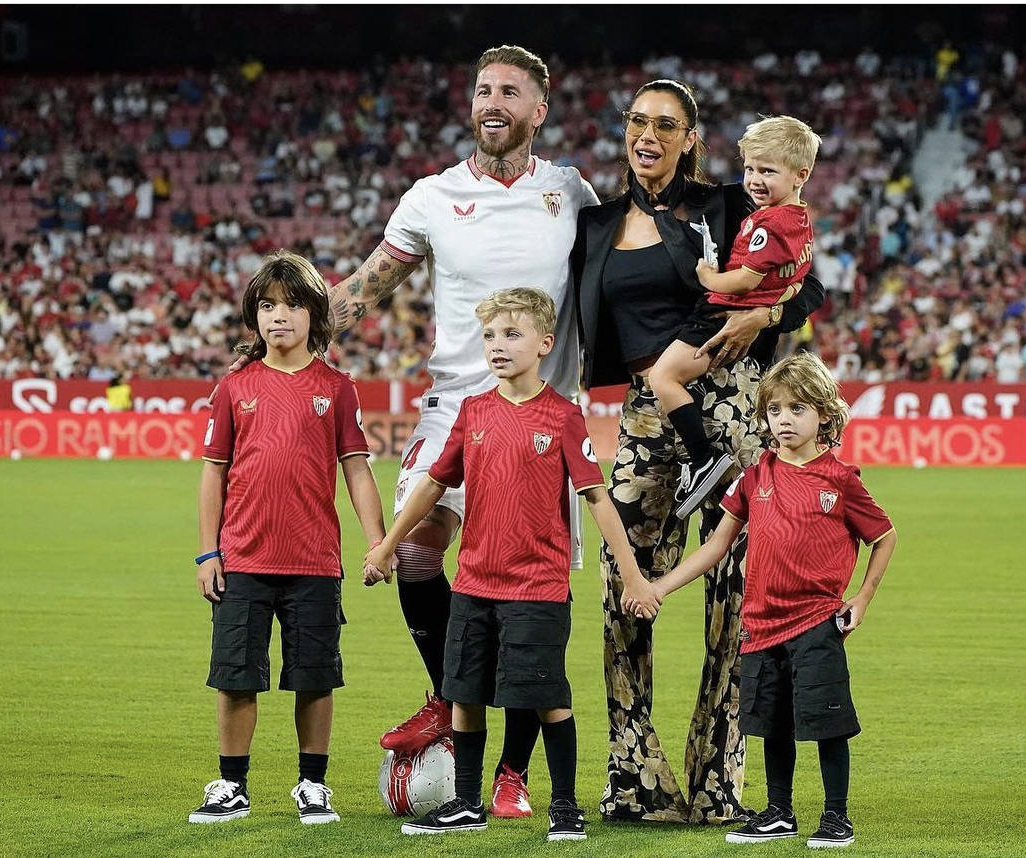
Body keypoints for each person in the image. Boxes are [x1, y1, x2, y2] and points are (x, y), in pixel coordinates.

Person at [325, 45, 600, 817]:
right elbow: (364, 288)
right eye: (483, 89)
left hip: (541, 416)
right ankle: (449, 695)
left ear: (537, 111)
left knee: (523, 594)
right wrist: (280, 336)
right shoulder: (433, 197)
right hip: (455, 406)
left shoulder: (570, 191)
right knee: (417, 549)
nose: (493, 101)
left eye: (510, 92)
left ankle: (512, 772)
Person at [571, 78, 825, 824]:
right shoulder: (595, 225)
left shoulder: (727, 205)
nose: (649, 134)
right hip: (647, 419)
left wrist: (766, 314)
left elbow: (807, 285)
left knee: (738, 602)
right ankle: (636, 780)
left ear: (691, 139)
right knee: (624, 590)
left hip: (735, 405)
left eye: (667, 124)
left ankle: (719, 787)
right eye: (638, 122)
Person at [363, 288, 654, 841]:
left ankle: (565, 808)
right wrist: (387, 545)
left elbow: (597, 498)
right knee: (466, 694)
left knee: (546, 696)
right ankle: (467, 803)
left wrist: (633, 576)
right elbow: (434, 485)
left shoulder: (564, 416)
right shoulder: (473, 413)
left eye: (511, 335)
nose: (497, 345)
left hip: (537, 587)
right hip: (475, 583)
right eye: (490, 335)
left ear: (545, 344)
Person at [648, 351, 897, 848]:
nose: (784, 420)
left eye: (797, 409)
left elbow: (885, 536)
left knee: (826, 722)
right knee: (772, 724)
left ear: (824, 414)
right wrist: (660, 586)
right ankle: (779, 812)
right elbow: (716, 545)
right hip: (760, 624)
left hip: (817, 621)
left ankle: (836, 817)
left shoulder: (841, 480)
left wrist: (862, 598)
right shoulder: (756, 476)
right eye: (775, 410)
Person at [189, 251, 386, 825]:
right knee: (235, 676)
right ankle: (231, 786)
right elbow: (213, 472)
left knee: (315, 677)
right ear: (255, 315)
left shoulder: (337, 387)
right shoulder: (234, 388)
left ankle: (312, 784)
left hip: (314, 561)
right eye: (269, 305)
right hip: (243, 559)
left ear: (315, 314)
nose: (280, 316)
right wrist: (208, 552)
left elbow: (356, 467)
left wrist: (377, 539)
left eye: (294, 304)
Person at [648, 115, 820, 518]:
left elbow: (746, 280)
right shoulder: (797, 220)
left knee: (663, 376)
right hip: (731, 322)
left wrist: (710, 276)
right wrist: (781, 295)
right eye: (749, 169)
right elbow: (796, 277)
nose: (755, 179)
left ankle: (703, 458)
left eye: (767, 171)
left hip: (721, 319)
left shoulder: (764, 219)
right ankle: (704, 459)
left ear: (801, 174)